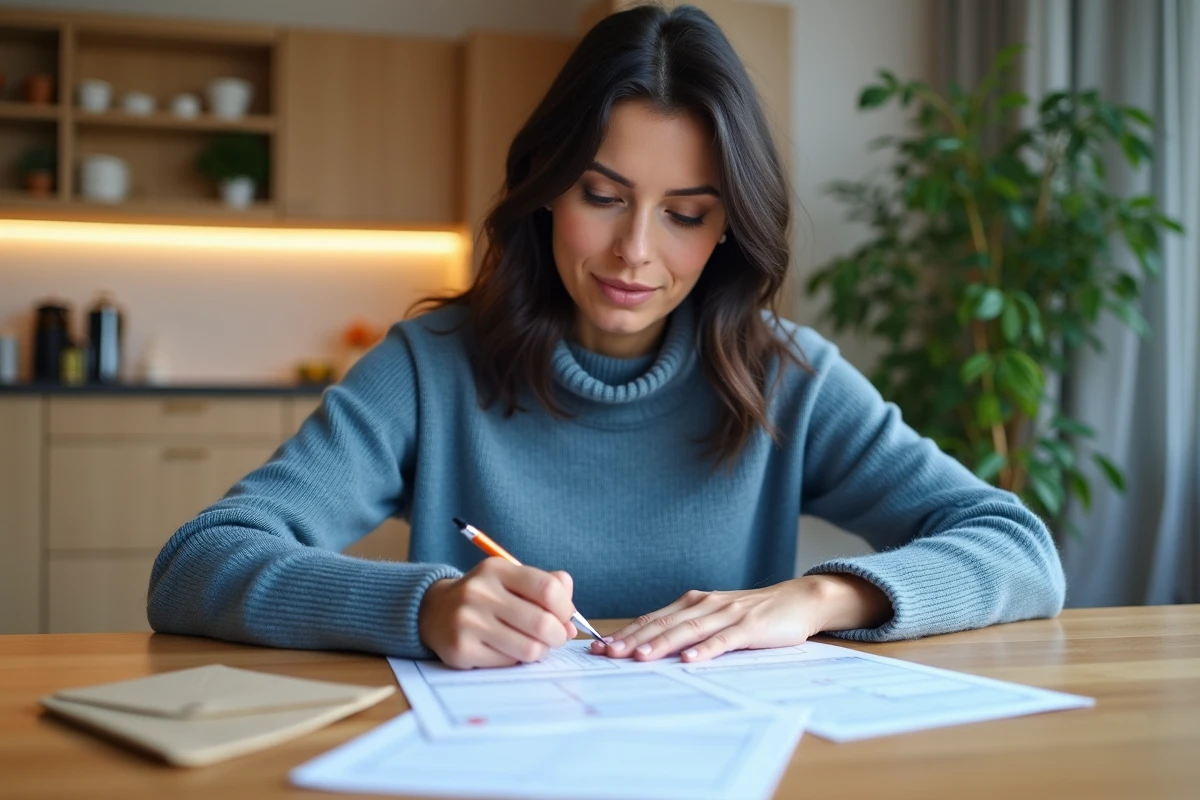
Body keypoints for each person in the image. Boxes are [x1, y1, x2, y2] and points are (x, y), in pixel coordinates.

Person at [147, 3, 1065, 670]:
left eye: (686, 214)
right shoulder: (431, 370)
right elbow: (198, 562)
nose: (636, 252)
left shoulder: (787, 377)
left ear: (727, 230)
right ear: (548, 188)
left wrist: (817, 599)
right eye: (603, 196)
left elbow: (1018, 548)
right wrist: (422, 607)